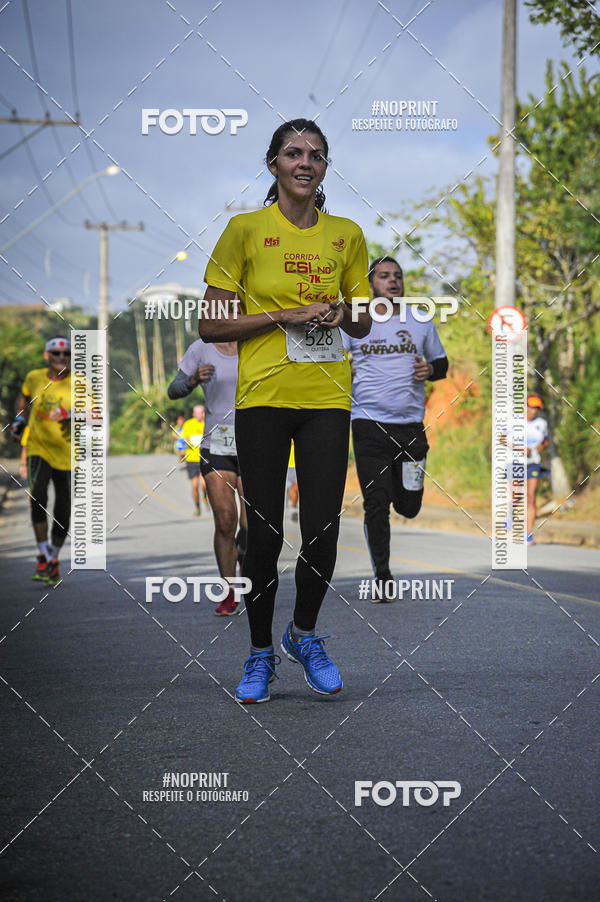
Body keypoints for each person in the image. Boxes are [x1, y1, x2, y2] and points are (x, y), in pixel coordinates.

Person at [199, 117, 371, 702]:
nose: (305, 162)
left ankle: (303, 634)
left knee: (323, 528)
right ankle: (258, 652)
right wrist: (283, 316)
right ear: (272, 164)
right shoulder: (244, 231)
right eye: (293, 153)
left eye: (316, 155)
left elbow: (366, 318)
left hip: (326, 397)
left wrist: (338, 312)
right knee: (263, 535)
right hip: (264, 399)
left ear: (324, 168)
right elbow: (210, 323)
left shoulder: (346, 234)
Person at [343, 257, 449, 600]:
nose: (393, 281)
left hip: (410, 428)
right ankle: (383, 577)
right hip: (367, 423)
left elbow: (442, 363)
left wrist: (429, 370)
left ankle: (406, 503)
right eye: (384, 276)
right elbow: (333, 362)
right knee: (376, 502)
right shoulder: (356, 322)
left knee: (409, 506)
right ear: (371, 283)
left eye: (398, 276)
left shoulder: (419, 320)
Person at [168, 338, 247, 615]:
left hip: (256, 442)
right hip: (217, 444)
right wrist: (191, 380)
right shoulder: (201, 348)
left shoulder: (258, 338)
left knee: (251, 526)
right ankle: (229, 591)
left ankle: (244, 559)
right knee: (226, 521)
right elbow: (173, 390)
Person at [11, 337, 72, 586]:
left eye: (66, 354)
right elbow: (23, 400)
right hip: (38, 448)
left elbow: (96, 412)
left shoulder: (79, 384)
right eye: (56, 354)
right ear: (47, 356)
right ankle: (43, 554)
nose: (61, 358)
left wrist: (71, 413)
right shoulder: (34, 377)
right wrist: (19, 420)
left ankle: (54, 558)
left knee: (63, 508)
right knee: (37, 498)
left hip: (68, 454)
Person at [525, 394, 549, 546]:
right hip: (514, 463)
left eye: (537, 409)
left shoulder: (541, 423)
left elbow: (545, 440)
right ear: (525, 407)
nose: (534, 411)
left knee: (531, 496)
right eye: (532, 407)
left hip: (533, 463)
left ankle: (528, 534)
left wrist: (542, 446)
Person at [179, 404, 207, 516]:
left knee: (204, 484)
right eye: (194, 412)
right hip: (191, 459)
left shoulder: (208, 423)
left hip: (204, 458)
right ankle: (197, 506)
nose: (194, 414)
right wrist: (186, 443)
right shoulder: (188, 424)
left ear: (203, 413)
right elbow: (183, 439)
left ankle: (205, 496)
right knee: (194, 486)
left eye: (197, 412)